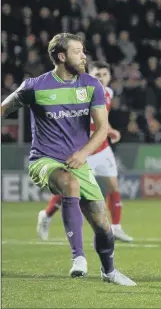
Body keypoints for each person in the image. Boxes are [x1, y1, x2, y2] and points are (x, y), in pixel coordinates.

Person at [0, 33, 136, 286]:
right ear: (61, 57)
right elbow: (3, 108)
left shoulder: (91, 86)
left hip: (78, 162)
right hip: (44, 160)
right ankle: (79, 258)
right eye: (77, 51)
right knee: (69, 184)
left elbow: (102, 128)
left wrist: (83, 154)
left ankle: (109, 272)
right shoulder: (34, 86)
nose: (83, 56)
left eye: (83, 50)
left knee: (103, 225)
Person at [37, 61, 133, 243]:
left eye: (105, 74)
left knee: (113, 186)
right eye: (97, 74)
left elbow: (101, 119)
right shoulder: (79, 93)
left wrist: (110, 130)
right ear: (89, 74)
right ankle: (46, 215)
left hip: (102, 148)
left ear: (110, 77)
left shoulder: (109, 93)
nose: (101, 78)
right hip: (82, 150)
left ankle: (116, 227)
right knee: (70, 188)